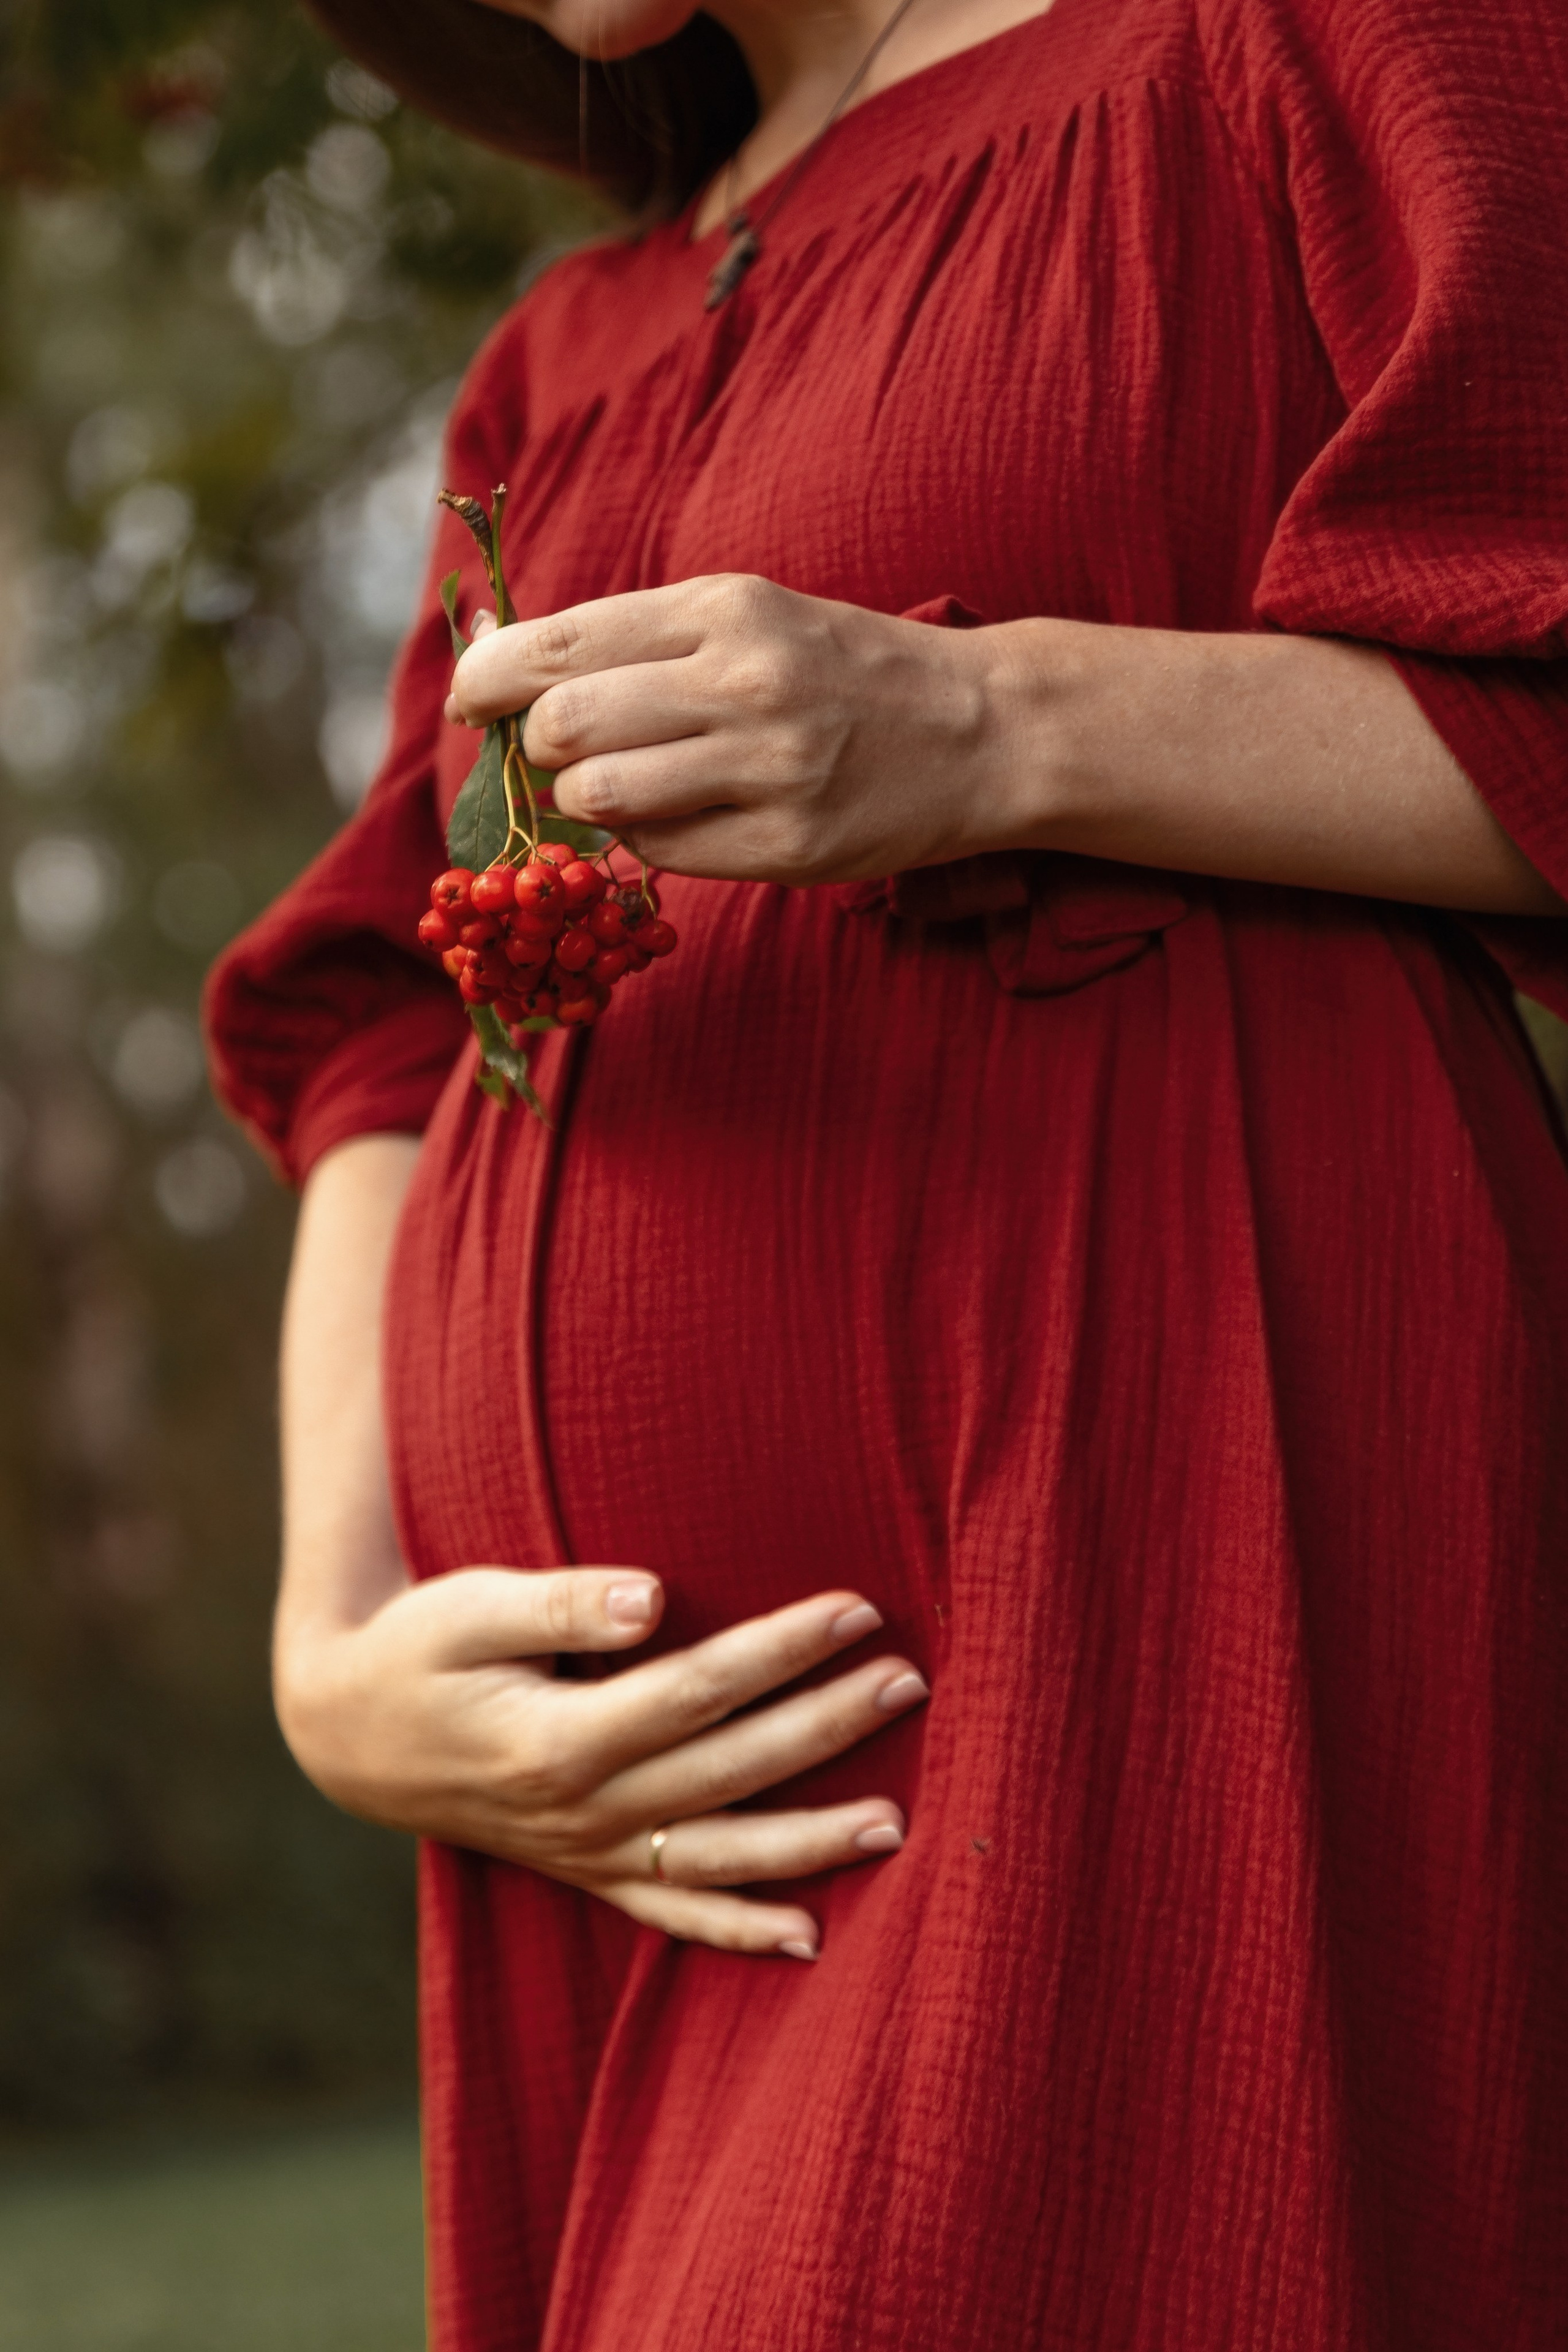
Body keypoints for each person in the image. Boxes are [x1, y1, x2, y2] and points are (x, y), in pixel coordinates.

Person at [206, 0, 1568, 2342]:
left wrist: (1002, 720)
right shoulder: (569, 355)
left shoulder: (1316, 45)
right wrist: (331, 1646)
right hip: (632, 1832)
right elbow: (381, 1030)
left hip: (1140, 1603)